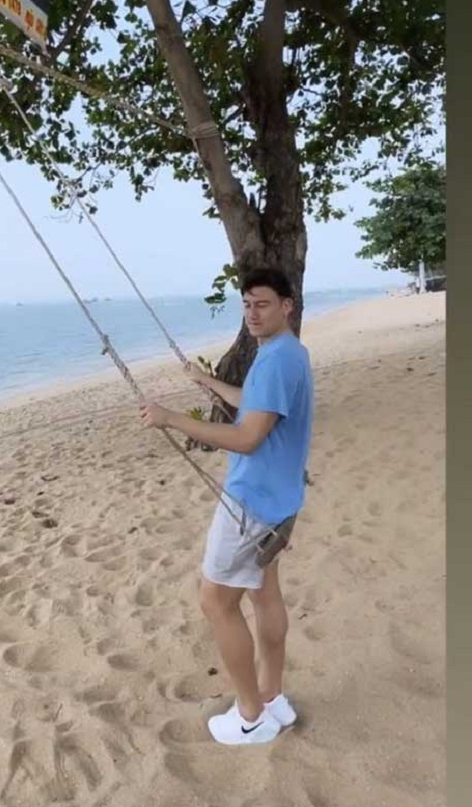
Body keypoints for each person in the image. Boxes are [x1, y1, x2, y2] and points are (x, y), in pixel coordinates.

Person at [140, 267, 314, 746]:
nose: (252, 314)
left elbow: (247, 437)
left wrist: (172, 419)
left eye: (263, 304)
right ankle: (272, 698)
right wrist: (208, 382)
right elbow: (256, 404)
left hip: (252, 504)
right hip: (280, 500)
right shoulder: (287, 352)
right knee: (264, 595)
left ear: (287, 306)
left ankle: (251, 716)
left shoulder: (275, 361)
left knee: (216, 601)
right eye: (247, 305)